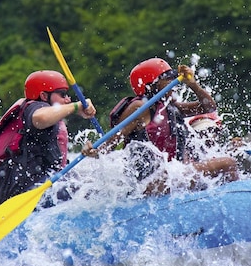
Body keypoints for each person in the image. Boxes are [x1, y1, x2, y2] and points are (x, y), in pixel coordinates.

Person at [91, 58, 238, 193]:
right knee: (227, 164)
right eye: (168, 78)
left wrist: (193, 84)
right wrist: (94, 150)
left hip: (171, 174)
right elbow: (112, 141)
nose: (174, 82)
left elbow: (209, 108)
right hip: (149, 182)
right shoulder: (140, 108)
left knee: (224, 159)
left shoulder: (170, 107)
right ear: (151, 85)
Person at [0, 70, 97, 208]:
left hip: (29, 185)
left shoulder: (46, 116)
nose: (67, 99)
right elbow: (40, 118)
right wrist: (76, 106)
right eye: (62, 94)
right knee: (91, 189)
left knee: (90, 180)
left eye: (67, 95)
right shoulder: (35, 107)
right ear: (44, 96)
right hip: (23, 190)